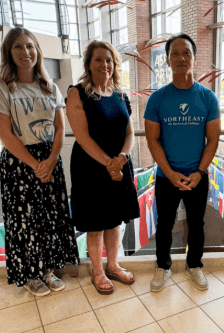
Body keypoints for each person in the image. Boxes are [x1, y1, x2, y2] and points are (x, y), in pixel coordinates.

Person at [0, 27, 79, 296]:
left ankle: (47, 270)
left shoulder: (48, 87)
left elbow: (60, 129)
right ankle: (30, 274)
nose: (25, 52)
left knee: (49, 218)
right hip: (19, 161)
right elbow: (6, 134)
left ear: (37, 51)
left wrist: (50, 161)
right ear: (8, 52)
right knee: (24, 219)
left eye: (30, 46)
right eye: (18, 47)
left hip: (50, 158)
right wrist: (35, 164)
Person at [144, 33, 221, 292]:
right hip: (167, 177)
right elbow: (153, 141)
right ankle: (163, 267)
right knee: (164, 224)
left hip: (197, 175)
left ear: (194, 58)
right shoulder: (158, 99)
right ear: (167, 60)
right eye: (174, 54)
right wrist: (169, 172)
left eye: (186, 52)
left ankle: (194, 265)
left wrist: (200, 172)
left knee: (197, 224)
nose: (181, 58)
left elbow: (213, 139)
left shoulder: (208, 98)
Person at [66, 40, 140, 295]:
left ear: (114, 64)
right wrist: (108, 163)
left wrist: (121, 158)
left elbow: (129, 132)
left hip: (119, 166)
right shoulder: (77, 92)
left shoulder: (120, 94)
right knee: (96, 224)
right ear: (88, 63)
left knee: (114, 221)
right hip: (91, 168)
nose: (104, 64)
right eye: (98, 59)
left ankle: (113, 265)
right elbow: (82, 136)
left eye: (108, 60)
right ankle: (97, 272)